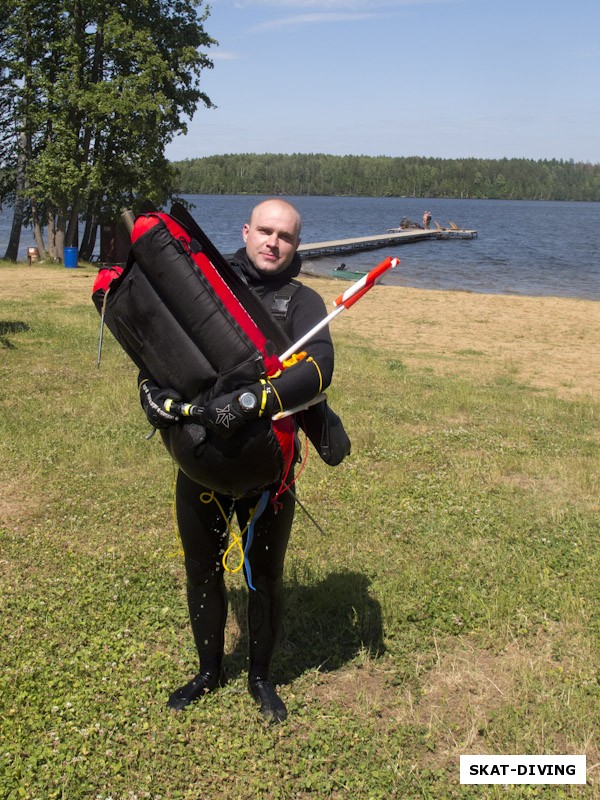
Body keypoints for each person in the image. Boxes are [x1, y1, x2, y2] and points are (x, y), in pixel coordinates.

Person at [139, 199, 335, 723]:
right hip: (200, 463)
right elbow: (160, 346)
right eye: (265, 231)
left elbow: (320, 369)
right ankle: (208, 671)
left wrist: (250, 402)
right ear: (246, 231)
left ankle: (261, 678)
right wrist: (148, 392)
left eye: (286, 236)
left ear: (297, 244)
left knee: (265, 577)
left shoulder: (302, 302)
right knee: (201, 569)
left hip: (268, 473)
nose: (273, 242)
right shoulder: (206, 285)